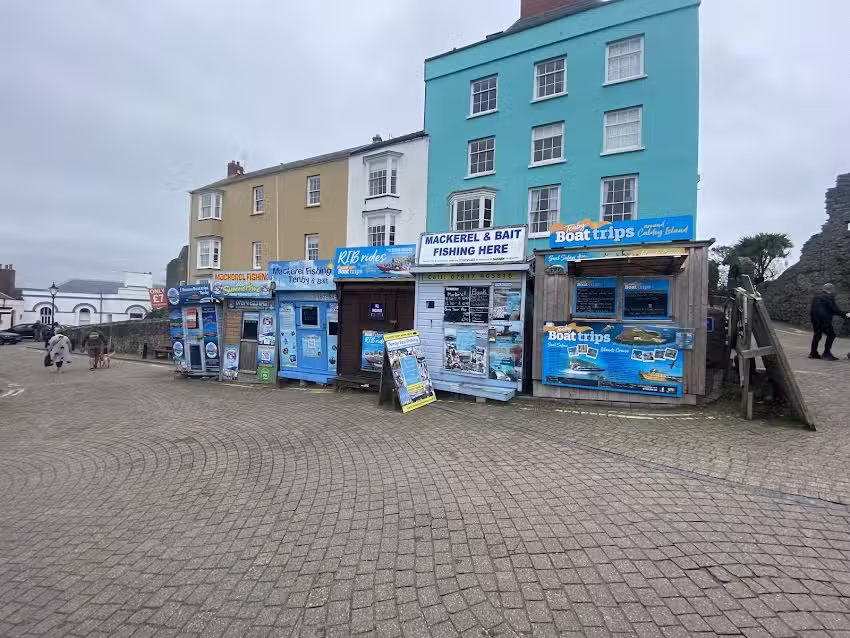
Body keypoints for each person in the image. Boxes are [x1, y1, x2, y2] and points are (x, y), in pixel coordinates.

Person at [809, 283, 850, 361]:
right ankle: (826, 353)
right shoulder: (829, 297)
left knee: (817, 334)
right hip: (824, 319)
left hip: (815, 319)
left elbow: (814, 309)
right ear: (831, 289)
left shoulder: (817, 297)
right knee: (831, 335)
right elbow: (834, 309)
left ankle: (813, 353)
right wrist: (845, 315)